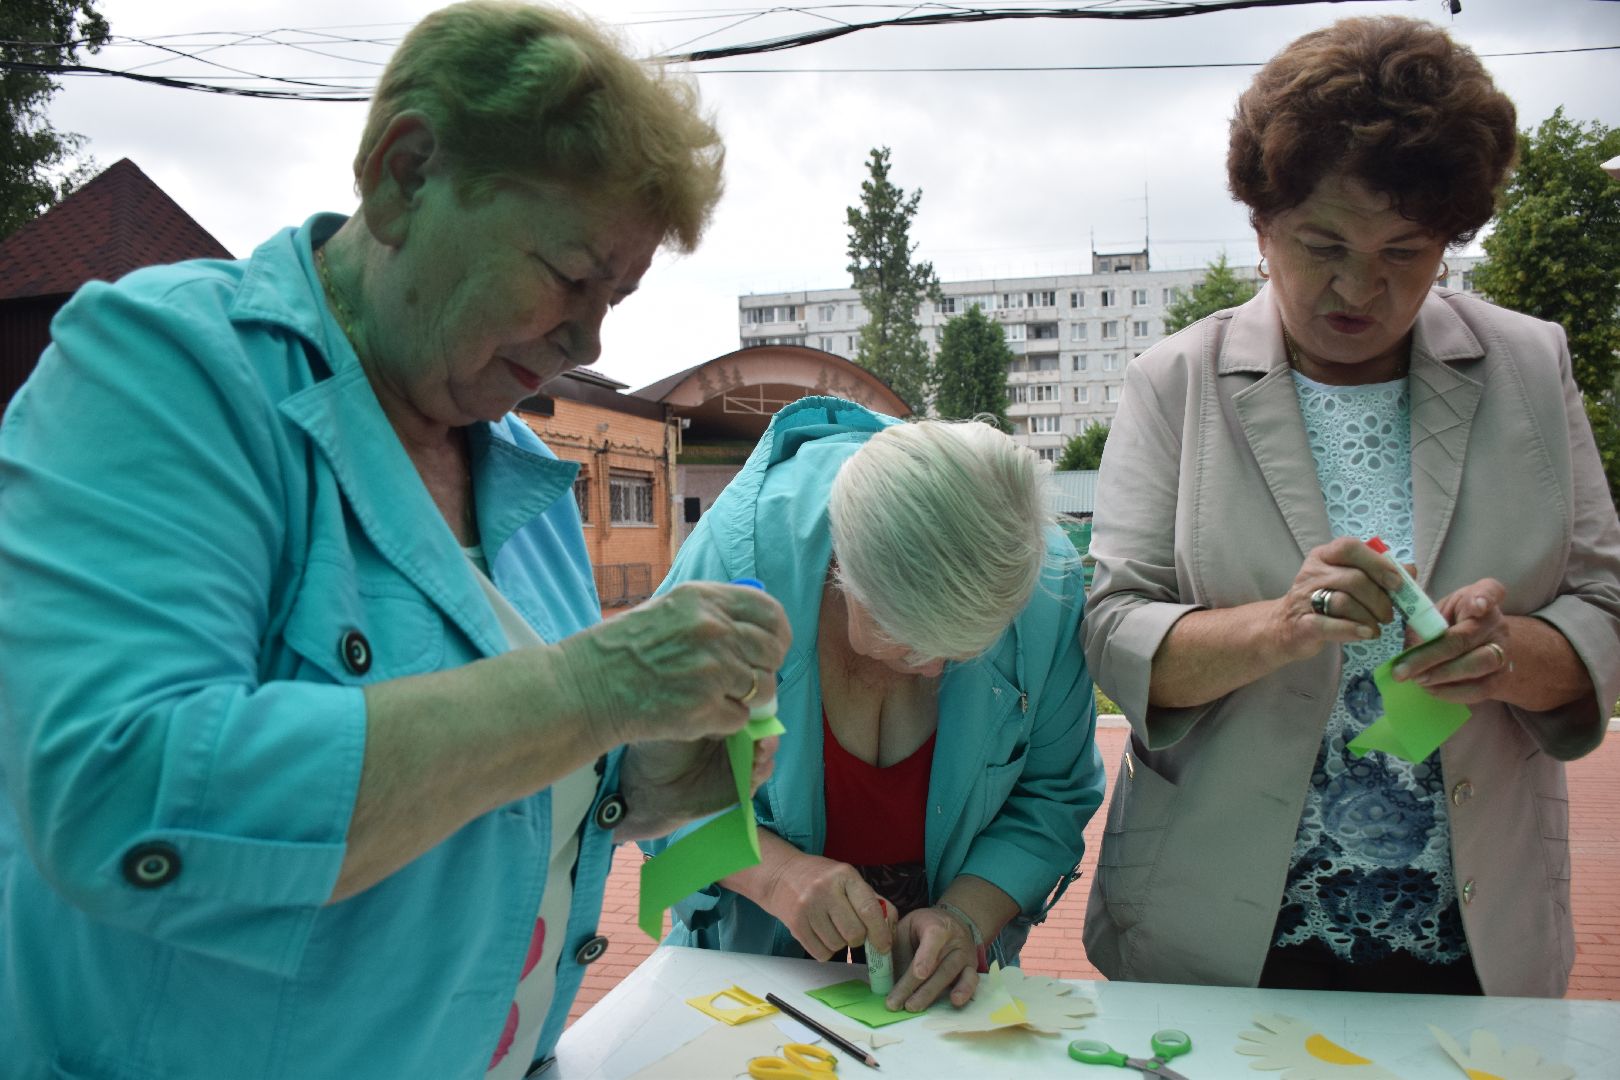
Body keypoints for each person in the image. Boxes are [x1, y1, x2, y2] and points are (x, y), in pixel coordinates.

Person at [0, 4, 791, 1077]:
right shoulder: (166, 369)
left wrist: (656, 757)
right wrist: (598, 690)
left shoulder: (519, 471)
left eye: (617, 297)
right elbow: (122, 795)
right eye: (570, 274)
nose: (588, 338)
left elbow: (511, 793)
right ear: (404, 175)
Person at [1081, 15, 1620, 998]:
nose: (1360, 287)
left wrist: (1507, 654)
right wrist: (1277, 627)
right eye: (1322, 243)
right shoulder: (1175, 380)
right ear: (1260, 227)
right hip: (1213, 928)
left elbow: (1605, 608)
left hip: (1477, 934)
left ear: (1449, 241)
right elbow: (1111, 627)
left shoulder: (1531, 366)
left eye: (1405, 252)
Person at [643, 396, 1106, 1013]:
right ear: (843, 566)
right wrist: (775, 875)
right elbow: (653, 784)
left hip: (942, 993)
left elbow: (1052, 794)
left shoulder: (1039, 578)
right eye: (911, 640)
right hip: (748, 968)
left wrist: (965, 917)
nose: (936, 669)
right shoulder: (732, 572)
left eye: (967, 649)